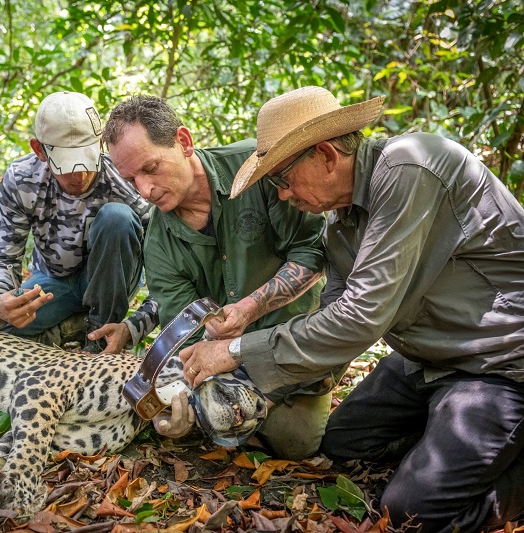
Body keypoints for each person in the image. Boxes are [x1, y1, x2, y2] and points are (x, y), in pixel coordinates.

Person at [181, 86, 524, 531]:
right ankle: (464, 442)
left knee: (410, 514)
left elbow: (362, 315)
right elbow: (334, 319)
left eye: (282, 180)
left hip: (498, 362)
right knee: (343, 442)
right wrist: (262, 388)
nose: (283, 196)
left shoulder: (411, 166)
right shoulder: (339, 226)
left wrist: (234, 352)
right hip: (430, 359)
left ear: (325, 154)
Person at [97, 95, 340, 460]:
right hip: (227, 360)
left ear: (183, 141)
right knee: (211, 416)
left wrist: (248, 309)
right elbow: (186, 335)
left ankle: (294, 393)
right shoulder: (159, 245)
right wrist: (181, 403)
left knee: (296, 443)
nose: (144, 190)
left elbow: (313, 252)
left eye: (151, 168)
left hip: (297, 339)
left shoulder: (259, 168)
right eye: (131, 179)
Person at [0, 91, 154, 353]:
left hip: (112, 283)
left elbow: (165, 268)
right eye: (67, 164)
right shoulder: (22, 179)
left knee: (117, 218)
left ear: (101, 144)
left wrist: (135, 326)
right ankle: (72, 324)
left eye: (86, 159)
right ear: (40, 150)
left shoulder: (126, 177)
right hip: (52, 281)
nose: (79, 175)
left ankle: (100, 334)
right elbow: (3, 257)